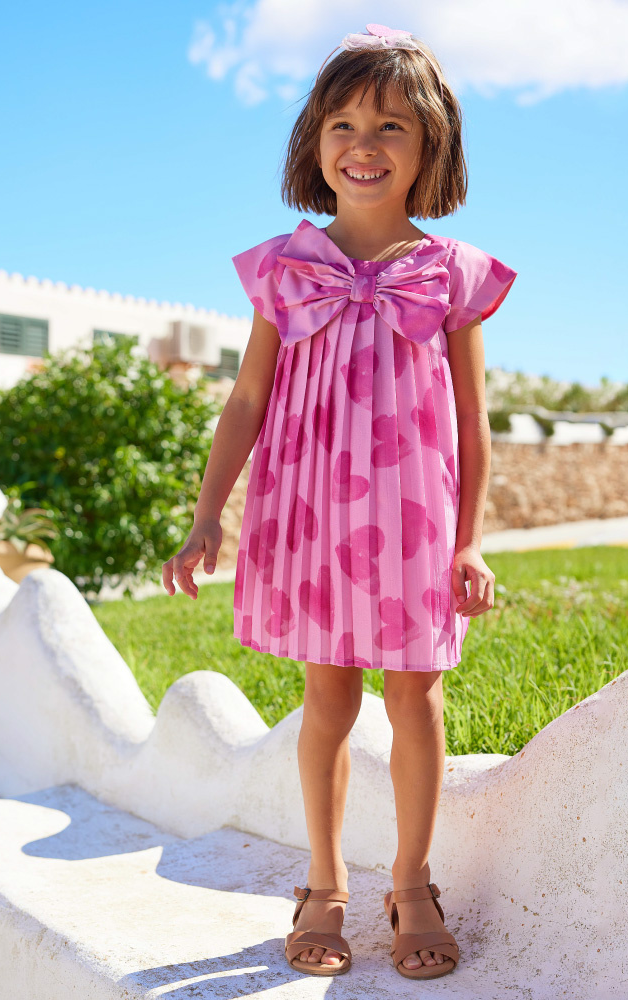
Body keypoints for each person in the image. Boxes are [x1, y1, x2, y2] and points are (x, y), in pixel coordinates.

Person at [162, 22, 517, 982]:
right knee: (327, 697)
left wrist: (472, 541)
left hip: (414, 520)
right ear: (314, 143)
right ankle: (322, 883)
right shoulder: (285, 268)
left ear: (429, 148)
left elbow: (476, 422)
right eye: (344, 123)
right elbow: (246, 401)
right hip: (311, 511)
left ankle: (412, 881)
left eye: (393, 126)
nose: (365, 143)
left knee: (415, 695)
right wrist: (207, 517)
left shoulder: (452, 276)